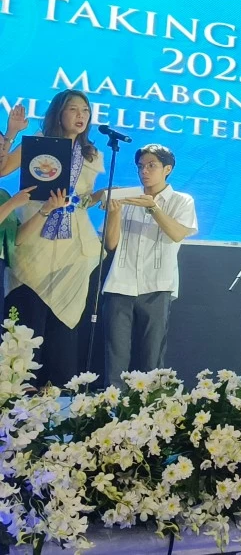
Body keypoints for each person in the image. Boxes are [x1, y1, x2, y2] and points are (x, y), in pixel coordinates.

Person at [1, 92, 105, 386]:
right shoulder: (37, 143)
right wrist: (10, 134)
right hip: (35, 237)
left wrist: (100, 197)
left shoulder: (92, 154)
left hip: (72, 247)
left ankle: (57, 395)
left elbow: (82, 200)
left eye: (85, 110)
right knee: (29, 321)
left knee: (64, 328)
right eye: (72, 109)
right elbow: (1, 169)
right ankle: (18, 398)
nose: (80, 115)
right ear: (58, 113)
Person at [101, 144, 198, 386]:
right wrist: (114, 212)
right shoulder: (127, 197)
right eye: (141, 166)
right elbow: (111, 244)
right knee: (116, 355)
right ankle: (111, 411)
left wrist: (152, 207)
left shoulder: (181, 200)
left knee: (152, 357)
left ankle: (149, 413)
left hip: (157, 284)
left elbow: (177, 233)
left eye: (151, 166)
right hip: (120, 283)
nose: (145, 171)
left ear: (168, 169)